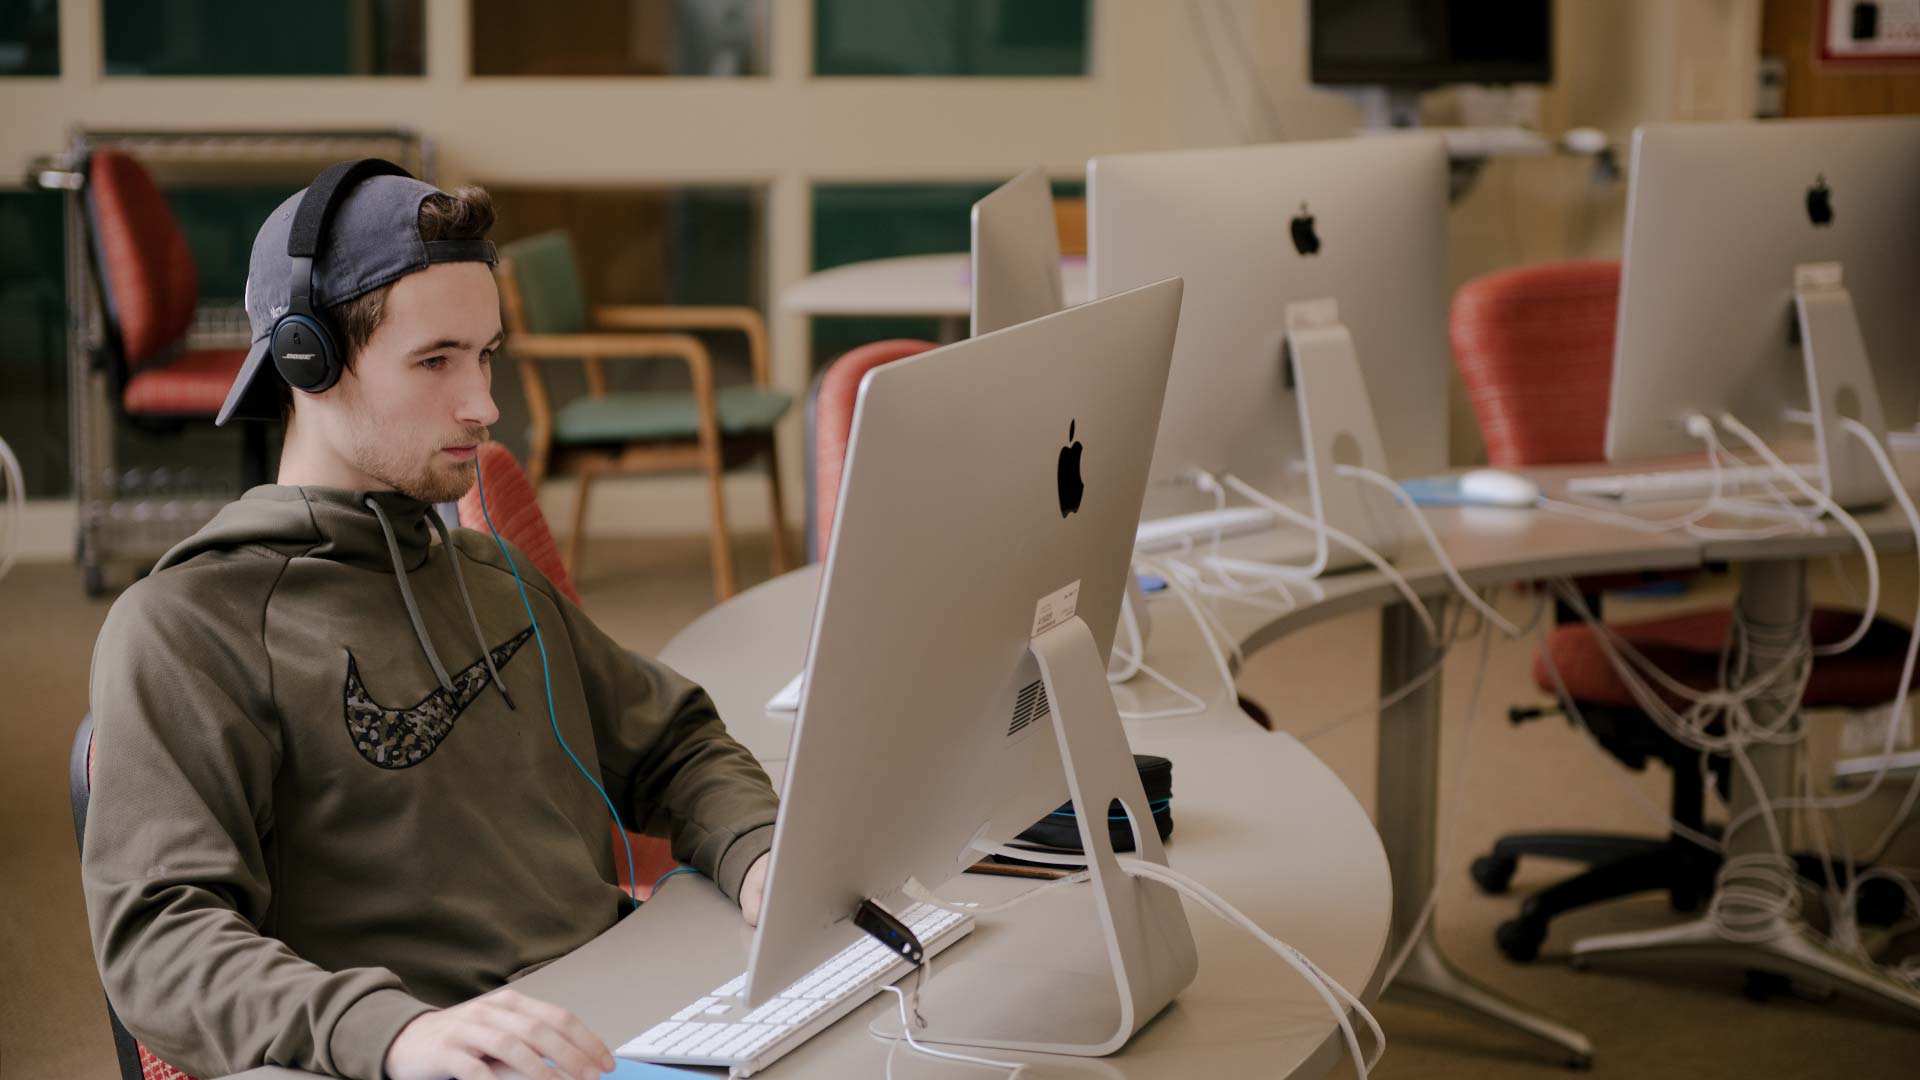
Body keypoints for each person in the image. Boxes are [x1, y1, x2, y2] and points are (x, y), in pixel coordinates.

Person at [81, 162, 778, 1080]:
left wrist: (762, 855)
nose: (484, 405)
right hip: (460, 1059)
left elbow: (676, 743)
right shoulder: (187, 624)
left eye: (485, 356)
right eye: (436, 360)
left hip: (633, 1017)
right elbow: (158, 939)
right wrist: (395, 1033)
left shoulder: (491, 573)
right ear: (307, 361)